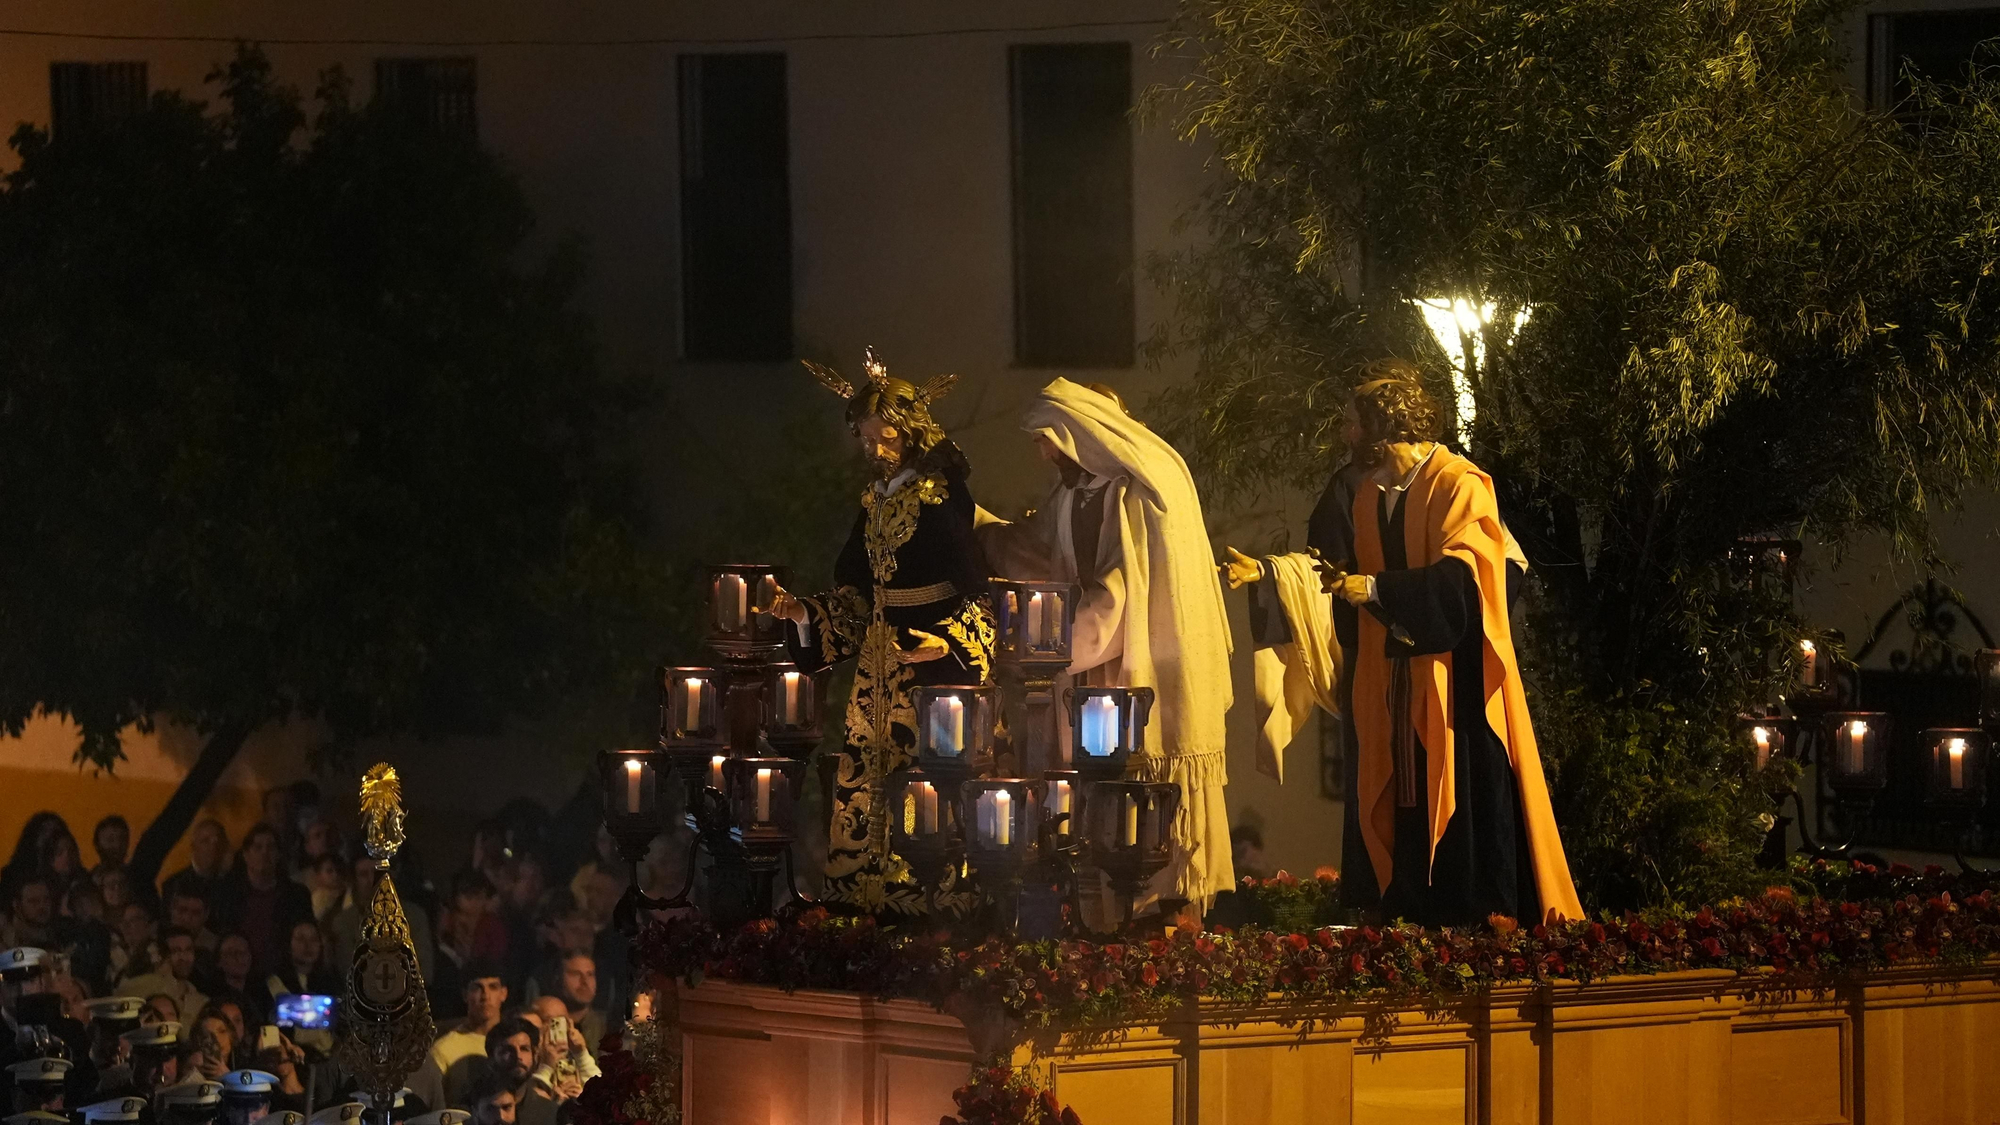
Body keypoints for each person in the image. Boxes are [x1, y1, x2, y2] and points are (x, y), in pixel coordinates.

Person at [1317, 373, 1582, 926]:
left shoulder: (1459, 484)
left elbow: (1466, 585)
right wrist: (1280, 576)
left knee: (1466, 799)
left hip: (1459, 681)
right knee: (1403, 797)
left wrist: (1378, 590)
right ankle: (1408, 914)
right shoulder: (1370, 498)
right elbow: (1343, 570)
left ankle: (1477, 923)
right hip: (1396, 681)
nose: (1345, 433)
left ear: (1383, 428)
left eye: (1353, 422)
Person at [975, 378, 1236, 909]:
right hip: (1082, 673)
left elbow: (1127, 591)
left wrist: (1056, 644)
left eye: (1047, 440)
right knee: (1085, 801)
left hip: (1131, 669)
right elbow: (1035, 554)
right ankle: (1093, 919)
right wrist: (973, 520)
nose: (1043, 453)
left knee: (1137, 803)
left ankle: (1153, 920)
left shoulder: (1136, 496)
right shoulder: (1070, 494)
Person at [768, 349, 998, 915]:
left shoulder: (941, 497)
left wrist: (948, 641)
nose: (875, 449)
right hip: (878, 667)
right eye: (866, 439)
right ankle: (863, 897)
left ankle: (930, 904)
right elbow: (855, 590)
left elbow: (976, 588)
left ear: (910, 431)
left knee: (927, 783)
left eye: (885, 436)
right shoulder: (874, 501)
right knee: (865, 779)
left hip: (933, 673)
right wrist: (803, 613)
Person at [406, 966, 507, 1113]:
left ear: (504, 993)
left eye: (493, 987)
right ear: (465, 995)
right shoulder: (445, 1049)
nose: (485, 996)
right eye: (477, 988)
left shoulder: (515, 1042)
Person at [212, 828, 312, 975]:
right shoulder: (227, 894)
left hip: (284, 973)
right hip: (238, 973)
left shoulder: (296, 895)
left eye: (270, 847)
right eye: (258, 847)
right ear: (246, 854)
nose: (265, 853)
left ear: (278, 854)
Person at [119, 928, 207, 1021]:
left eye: (188, 950)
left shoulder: (202, 1002)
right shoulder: (142, 988)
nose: (183, 957)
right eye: (175, 951)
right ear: (162, 956)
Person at [160, 824, 231, 913]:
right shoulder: (174, 885)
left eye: (217, 842)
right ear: (193, 846)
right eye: (205, 841)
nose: (212, 847)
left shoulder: (229, 884)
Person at [2, 880, 58, 951]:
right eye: (33, 901)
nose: (42, 906)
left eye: (46, 900)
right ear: (17, 906)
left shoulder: (57, 933)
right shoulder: (5, 944)